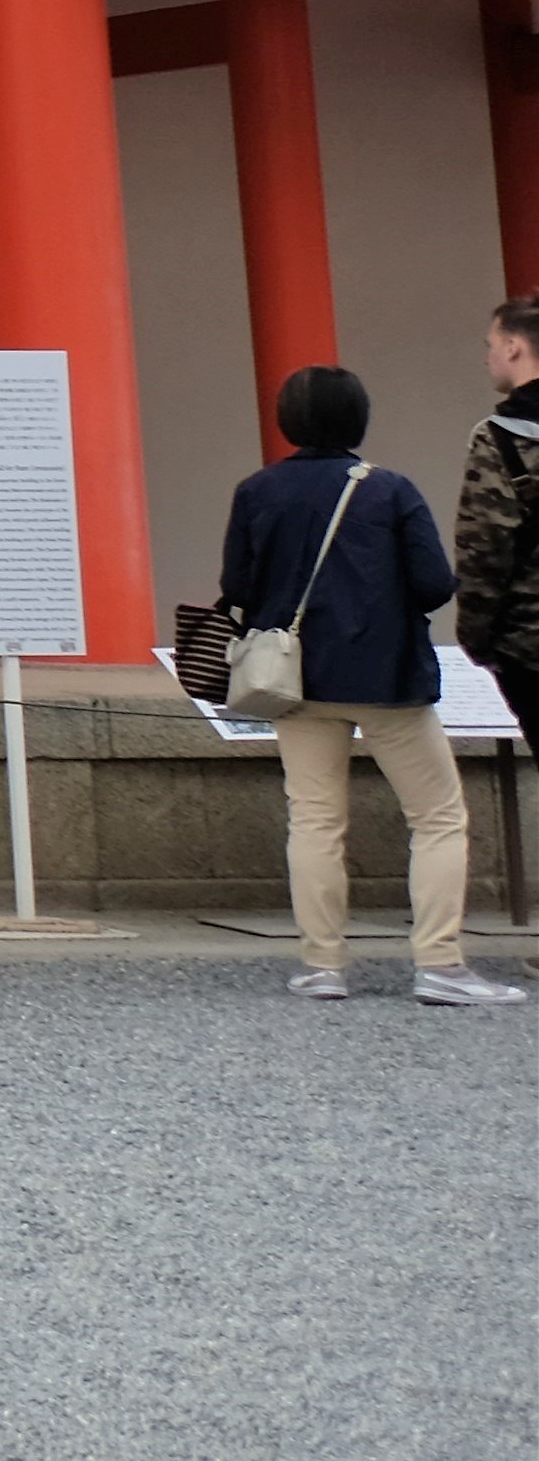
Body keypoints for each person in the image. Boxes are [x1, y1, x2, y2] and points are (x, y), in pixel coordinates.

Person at [216, 364, 519, 1008]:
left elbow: (238, 589)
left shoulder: (255, 491)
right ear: (360, 420)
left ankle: (323, 967)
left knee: (316, 819)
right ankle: (439, 962)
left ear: (286, 422)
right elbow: (436, 583)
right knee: (437, 817)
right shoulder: (389, 490)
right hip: (388, 679)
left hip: (294, 681)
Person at [451, 296, 538, 698]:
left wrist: (477, 639)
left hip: (529, 643)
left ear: (513, 347)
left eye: (491, 345)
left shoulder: (500, 439)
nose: (488, 357)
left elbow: (484, 550)